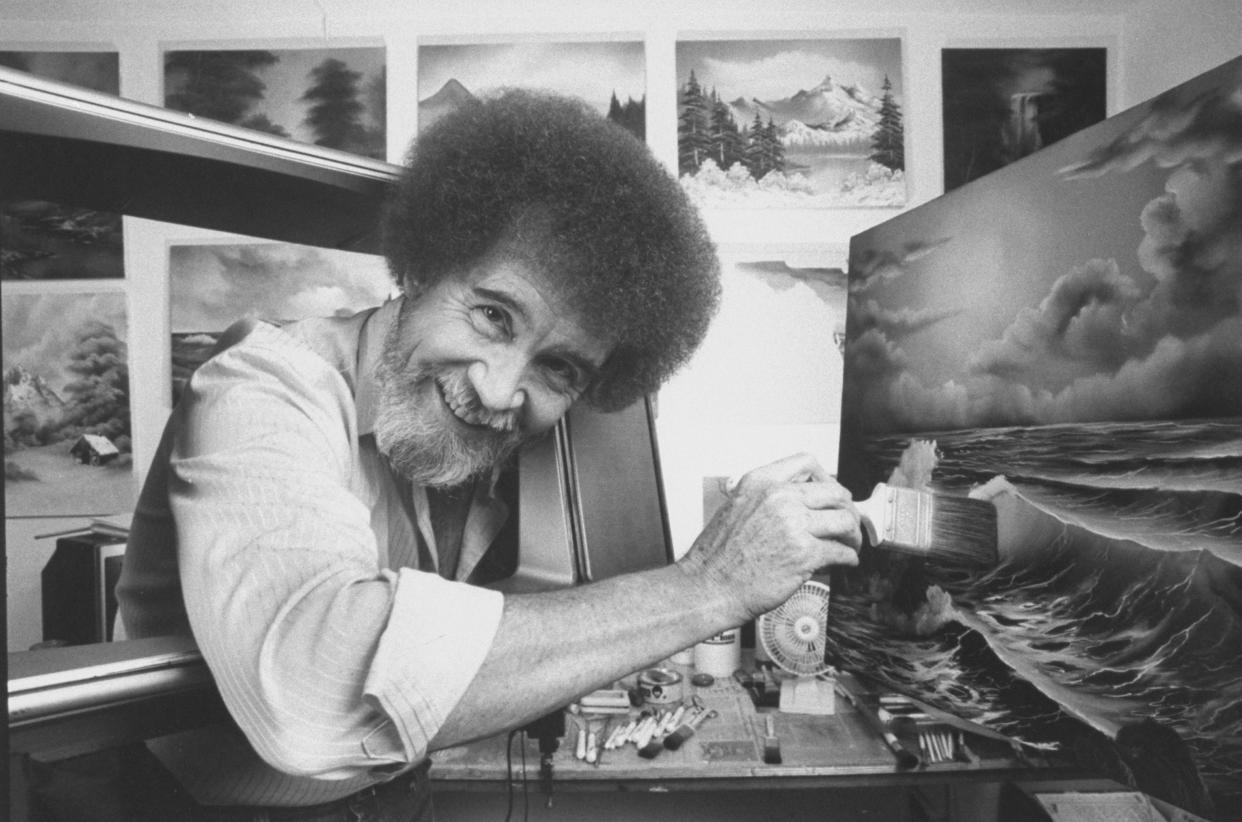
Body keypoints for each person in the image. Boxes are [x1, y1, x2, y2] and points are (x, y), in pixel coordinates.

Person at [109, 89, 862, 821]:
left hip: (397, 792)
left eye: (559, 368)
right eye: (493, 316)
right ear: (422, 266)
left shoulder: (492, 438)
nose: (501, 392)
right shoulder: (263, 386)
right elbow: (316, 695)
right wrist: (712, 585)